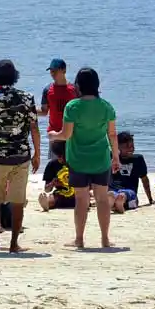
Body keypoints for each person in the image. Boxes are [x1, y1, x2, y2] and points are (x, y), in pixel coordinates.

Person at [48, 67, 120, 249]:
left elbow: (66, 134)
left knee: (81, 200)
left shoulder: (72, 107)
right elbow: (112, 135)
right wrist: (116, 157)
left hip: (78, 160)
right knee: (102, 199)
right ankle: (105, 239)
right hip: (101, 159)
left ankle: (79, 239)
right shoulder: (106, 106)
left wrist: (53, 135)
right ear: (97, 85)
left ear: (78, 86)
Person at [0, 59, 40, 253]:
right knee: (18, 200)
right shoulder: (27, 98)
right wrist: (37, 153)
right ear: (14, 77)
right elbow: (34, 128)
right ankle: (13, 244)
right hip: (20, 155)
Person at [39, 58, 79, 163]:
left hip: (72, 134)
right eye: (51, 71)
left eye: (55, 71)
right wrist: (27, 110)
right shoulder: (47, 90)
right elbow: (44, 111)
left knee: (73, 165)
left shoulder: (74, 89)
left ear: (64, 71)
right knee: (56, 165)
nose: (52, 73)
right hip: (54, 134)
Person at [110, 132, 152, 211]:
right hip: (119, 190)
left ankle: (116, 201)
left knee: (122, 195)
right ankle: (117, 201)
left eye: (132, 146)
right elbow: (144, 180)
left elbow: (144, 180)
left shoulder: (138, 159)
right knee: (118, 195)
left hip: (122, 191)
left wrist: (150, 199)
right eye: (127, 147)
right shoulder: (111, 157)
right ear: (117, 147)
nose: (131, 149)